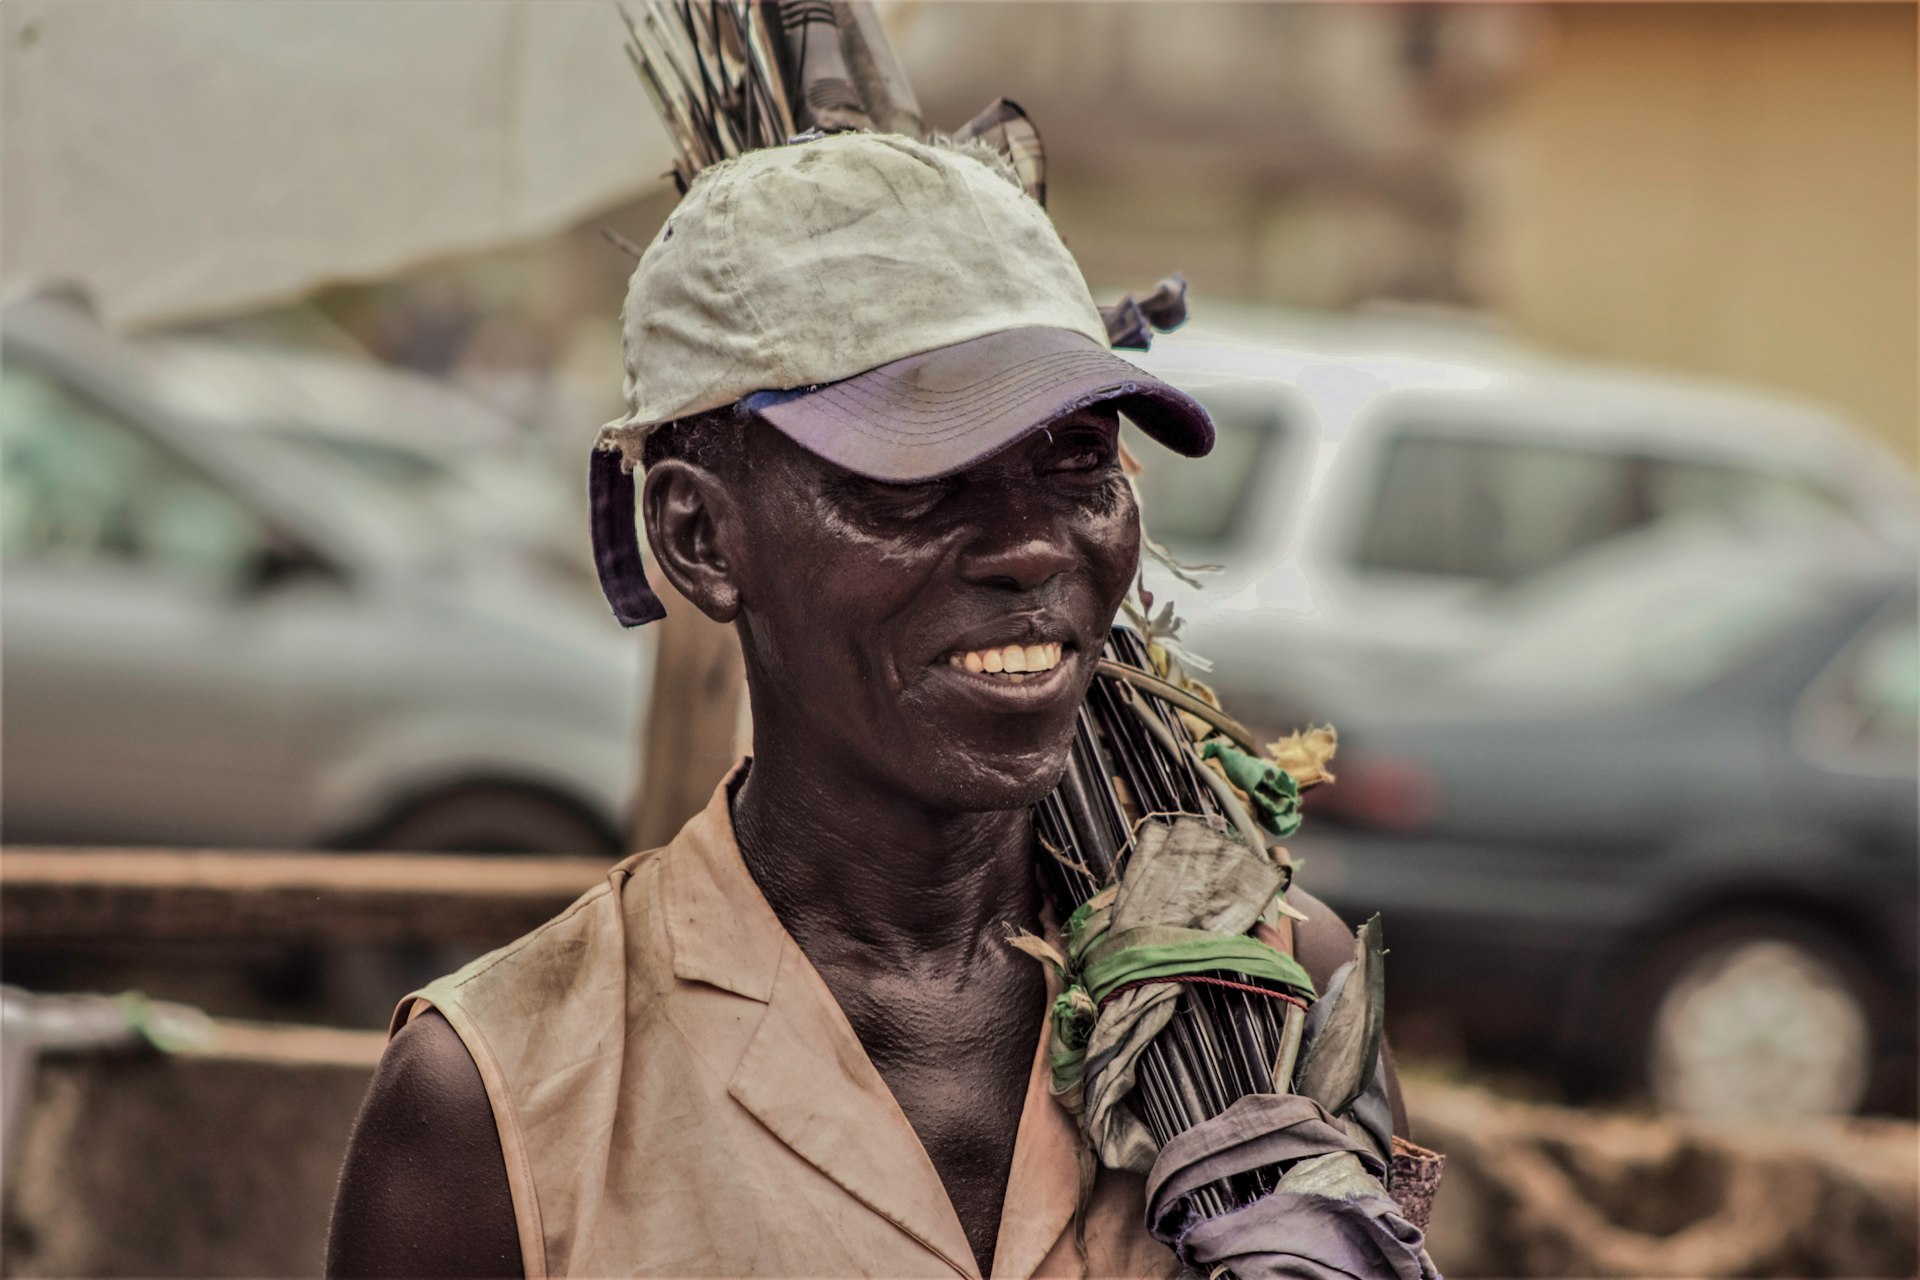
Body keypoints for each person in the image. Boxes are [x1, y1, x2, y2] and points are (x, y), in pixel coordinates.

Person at [327, 132, 1412, 1280]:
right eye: (918, 480)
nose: (1034, 543)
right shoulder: (501, 1102)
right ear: (699, 536)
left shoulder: (1271, 993)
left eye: (1077, 458)